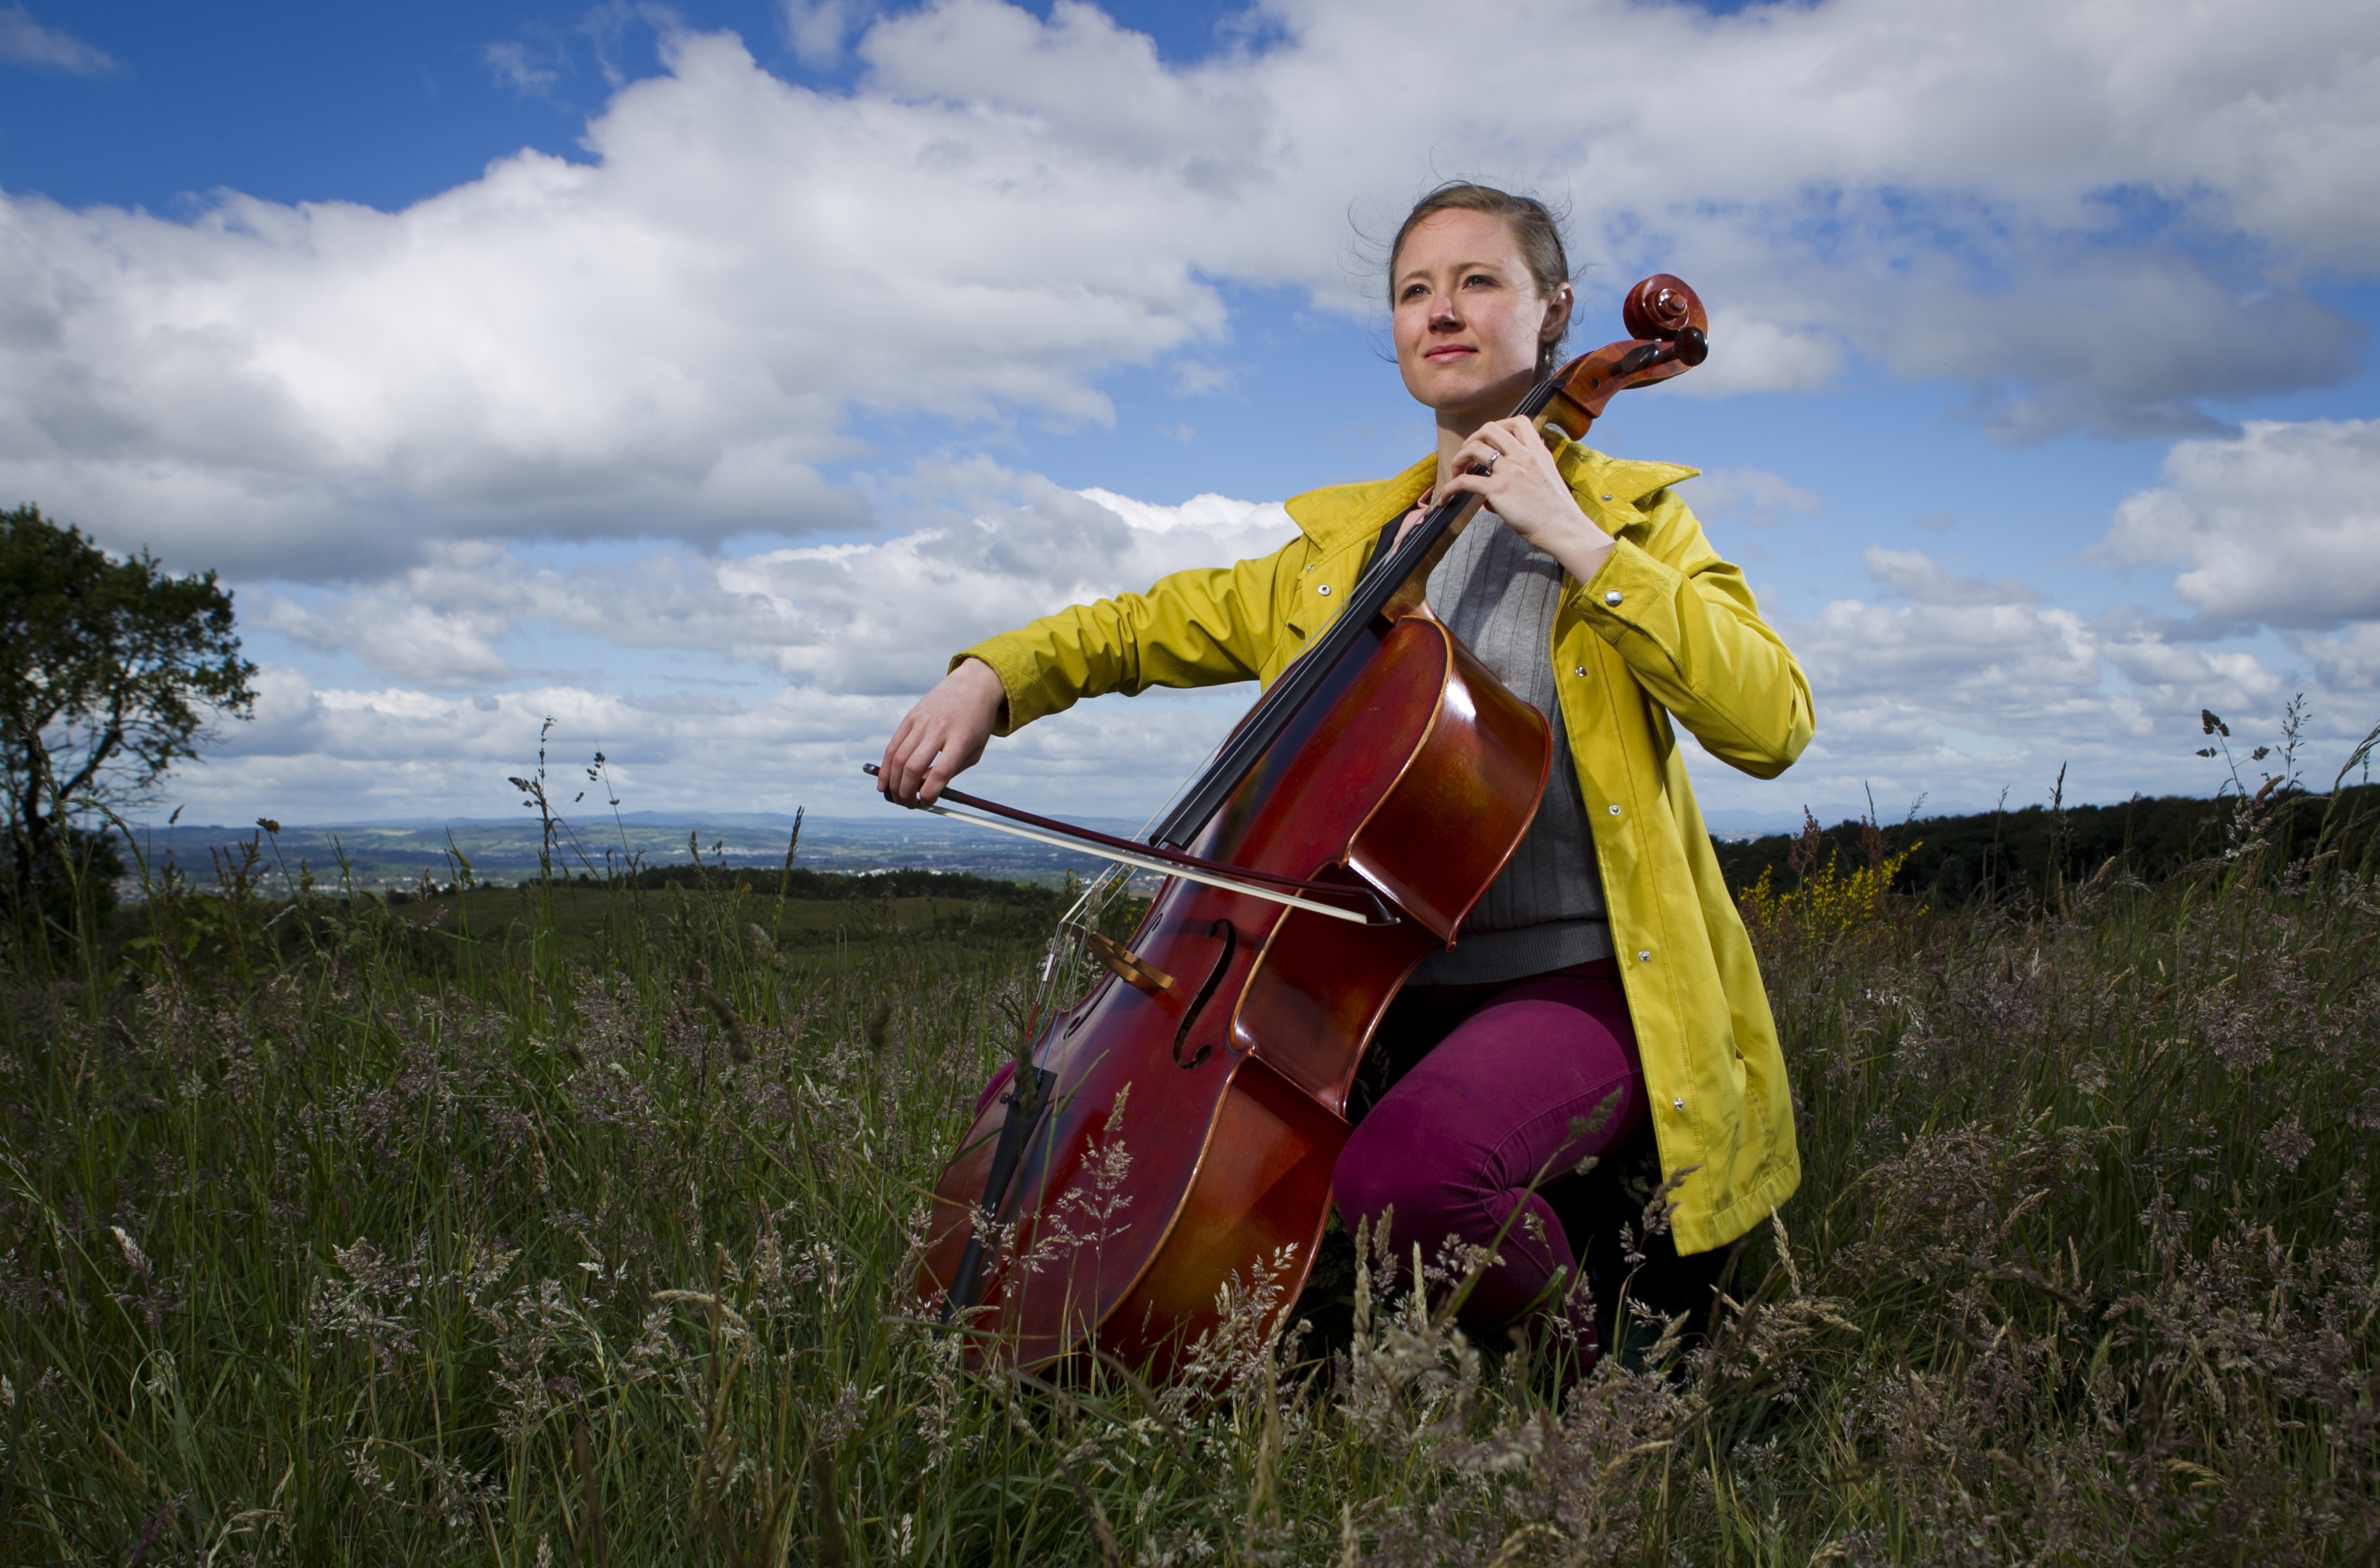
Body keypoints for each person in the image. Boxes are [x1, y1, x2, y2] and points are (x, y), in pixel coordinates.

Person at [877, 182, 1813, 1355]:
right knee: (1073, 1127)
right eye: (1413, 291)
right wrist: (991, 679)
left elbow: (1770, 722)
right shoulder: (1341, 558)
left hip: (1572, 981)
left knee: (1411, 1189)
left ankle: (1610, 1386)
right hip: (1359, 995)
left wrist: (1572, 537)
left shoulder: (1634, 526)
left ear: (1554, 307)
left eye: (1478, 281)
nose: (1441, 310)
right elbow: (1137, 625)